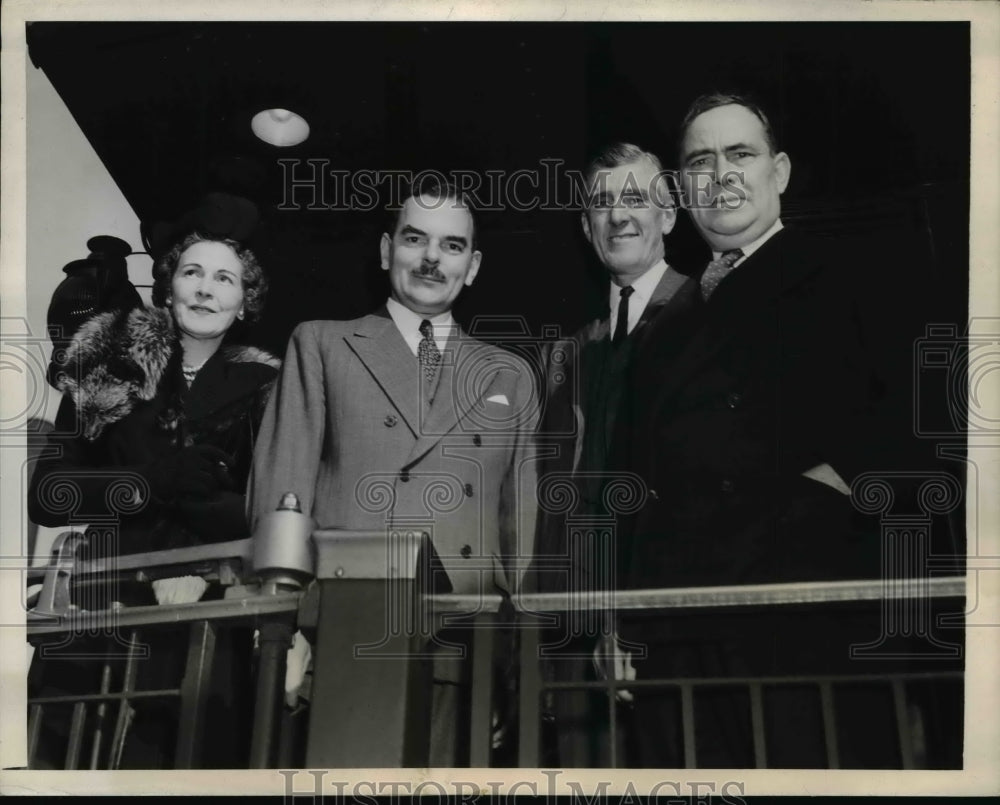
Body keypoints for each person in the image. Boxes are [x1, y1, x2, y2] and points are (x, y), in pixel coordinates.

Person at [618, 92, 902, 768]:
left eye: (740, 154)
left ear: (779, 172)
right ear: (682, 190)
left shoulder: (851, 273)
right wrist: (627, 619)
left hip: (804, 612)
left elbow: (926, 422)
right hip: (680, 620)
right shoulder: (661, 327)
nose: (720, 174)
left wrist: (834, 496)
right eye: (700, 161)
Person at [249, 177, 539, 766]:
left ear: (473, 265)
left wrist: (514, 662)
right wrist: (282, 631)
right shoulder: (323, 345)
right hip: (340, 636)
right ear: (386, 251)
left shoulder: (510, 374)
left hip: (465, 647)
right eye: (415, 239)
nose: (432, 258)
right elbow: (283, 495)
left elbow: (523, 541)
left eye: (452, 246)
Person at [27, 230, 279, 767]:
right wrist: (154, 483)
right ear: (167, 288)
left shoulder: (269, 390)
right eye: (192, 272)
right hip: (100, 605)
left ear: (244, 302)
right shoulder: (104, 366)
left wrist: (208, 514)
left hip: (209, 617)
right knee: (72, 760)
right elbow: (49, 496)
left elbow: (272, 514)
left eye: (224, 278)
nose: (206, 289)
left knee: (186, 763)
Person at [530, 143, 701, 766]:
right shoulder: (570, 352)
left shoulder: (708, 315)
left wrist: (630, 619)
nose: (618, 216)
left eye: (636, 199)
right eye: (602, 203)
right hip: (571, 640)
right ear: (584, 227)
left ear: (670, 214)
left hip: (669, 628)